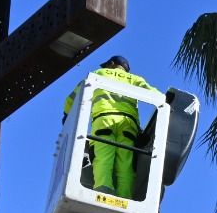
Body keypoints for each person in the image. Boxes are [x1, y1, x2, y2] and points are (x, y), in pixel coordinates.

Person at [63, 55, 156, 199]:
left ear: (112, 64)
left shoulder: (99, 74)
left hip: (104, 120)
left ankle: (103, 194)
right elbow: (156, 95)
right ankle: (124, 199)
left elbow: (74, 96)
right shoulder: (135, 79)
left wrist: (66, 114)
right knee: (125, 165)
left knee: (103, 158)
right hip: (128, 125)